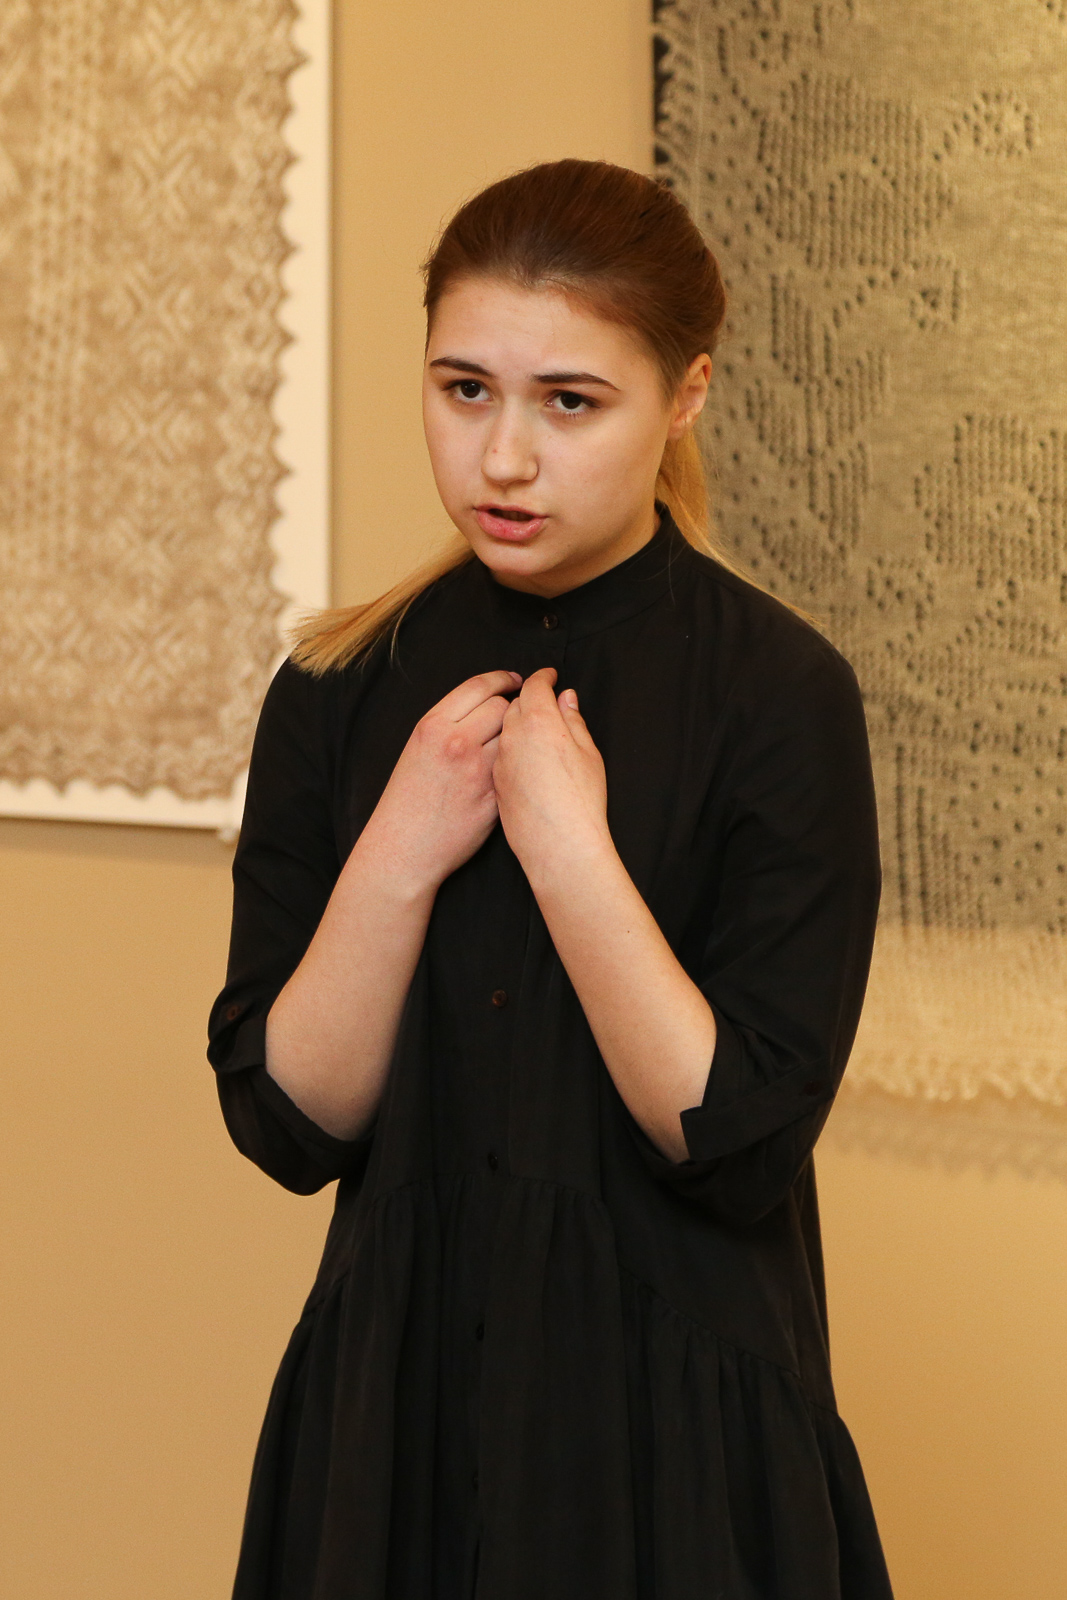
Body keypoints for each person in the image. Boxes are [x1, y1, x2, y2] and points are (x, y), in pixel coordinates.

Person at [208, 159, 892, 1600]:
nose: (502, 459)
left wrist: (574, 857)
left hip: (676, 1439)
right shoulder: (336, 688)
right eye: (464, 390)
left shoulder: (783, 695)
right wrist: (399, 850)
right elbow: (287, 1123)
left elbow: (734, 1141)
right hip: (390, 1430)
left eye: (570, 403)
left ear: (686, 396)